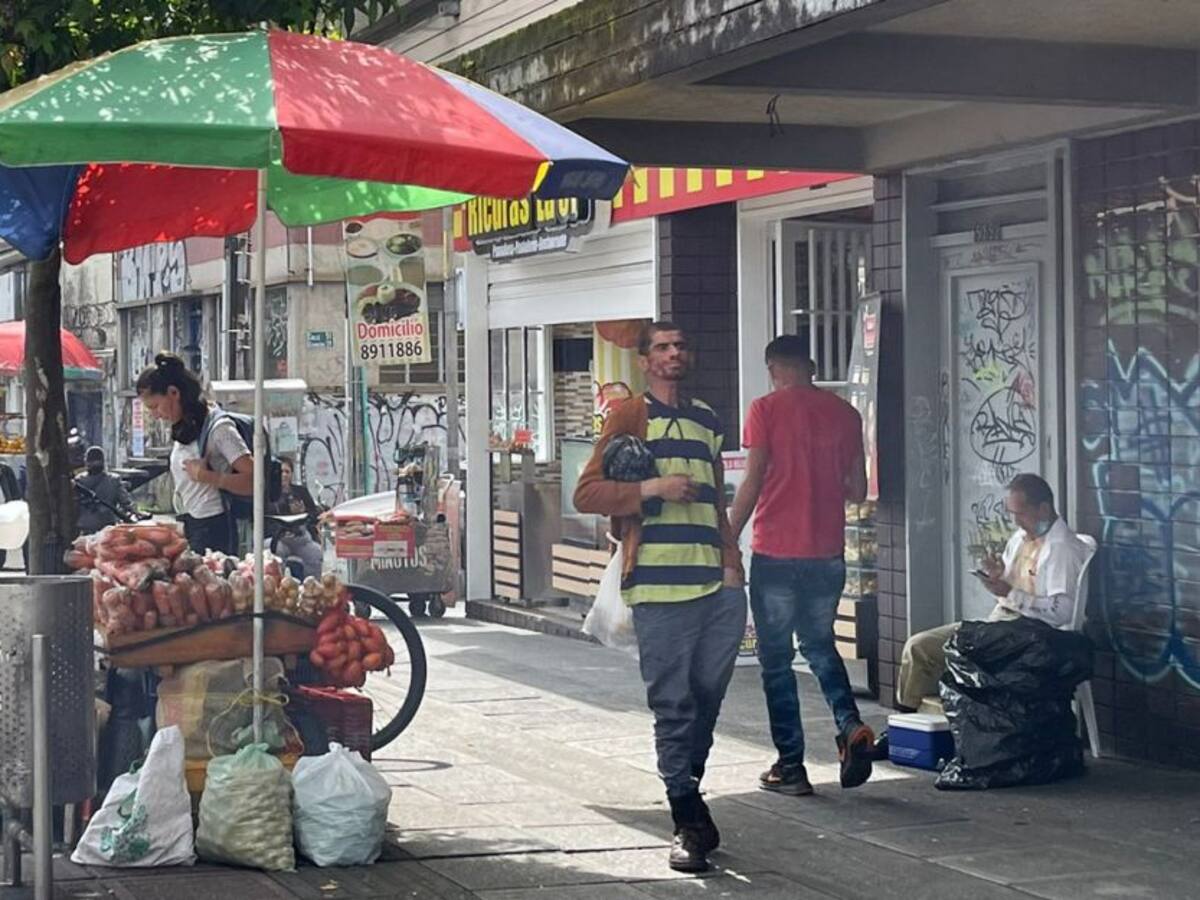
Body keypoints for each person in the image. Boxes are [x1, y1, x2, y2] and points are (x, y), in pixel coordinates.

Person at [574, 321, 745, 874]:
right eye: (663, 347)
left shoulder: (707, 419)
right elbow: (587, 492)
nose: (675, 353)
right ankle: (687, 819)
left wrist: (732, 564)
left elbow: (716, 502)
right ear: (645, 361)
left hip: (716, 585)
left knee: (707, 699)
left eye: (681, 345)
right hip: (656, 583)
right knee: (673, 705)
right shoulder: (630, 415)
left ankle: (688, 790)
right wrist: (653, 488)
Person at [728, 334, 876, 796]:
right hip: (826, 553)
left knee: (776, 660)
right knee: (819, 644)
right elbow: (858, 489)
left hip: (776, 551)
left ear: (773, 368)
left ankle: (791, 766)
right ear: (811, 366)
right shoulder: (845, 414)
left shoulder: (764, 410)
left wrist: (726, 539)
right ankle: (849, 723)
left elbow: (752, 481)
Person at [896, 473, 1091, 712]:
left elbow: (1062, 613)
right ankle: (910, 719)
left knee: (933, 652)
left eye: (1021, 513)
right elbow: (1009, 592)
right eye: (1012, 514)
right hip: (999, 623)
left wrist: (1010, 592)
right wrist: (998, 578)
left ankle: (928, 718)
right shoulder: (1020, 539)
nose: (1016, 522)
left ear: (1043, 509)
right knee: (917, 647)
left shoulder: (1062, 549)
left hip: (1029, 635)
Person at [136, 353, 252, 555]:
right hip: (191, 524)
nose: (155, 415)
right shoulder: (186, 427)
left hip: (214, 529)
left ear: (173, 393)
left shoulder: (219, 429)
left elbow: (254, 479)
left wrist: (207, 476)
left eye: (155, 406)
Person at [268, 458, 325, 577]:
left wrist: (302, 512)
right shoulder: (267, 493)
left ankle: (312, 584)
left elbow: (314, 515)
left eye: (287, 472)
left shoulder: (301, 491)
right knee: (277, 553)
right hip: (277, 538)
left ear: (292, 474)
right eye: (281, 472)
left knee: (315, 553)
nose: (284, 475)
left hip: (300, 538)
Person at [75, 446, 135, 533]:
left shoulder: (78, 481)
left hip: (85, 528)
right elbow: (126, 503)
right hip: (108, 528)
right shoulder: (114, 480)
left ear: (86, 462)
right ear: (103, 462)